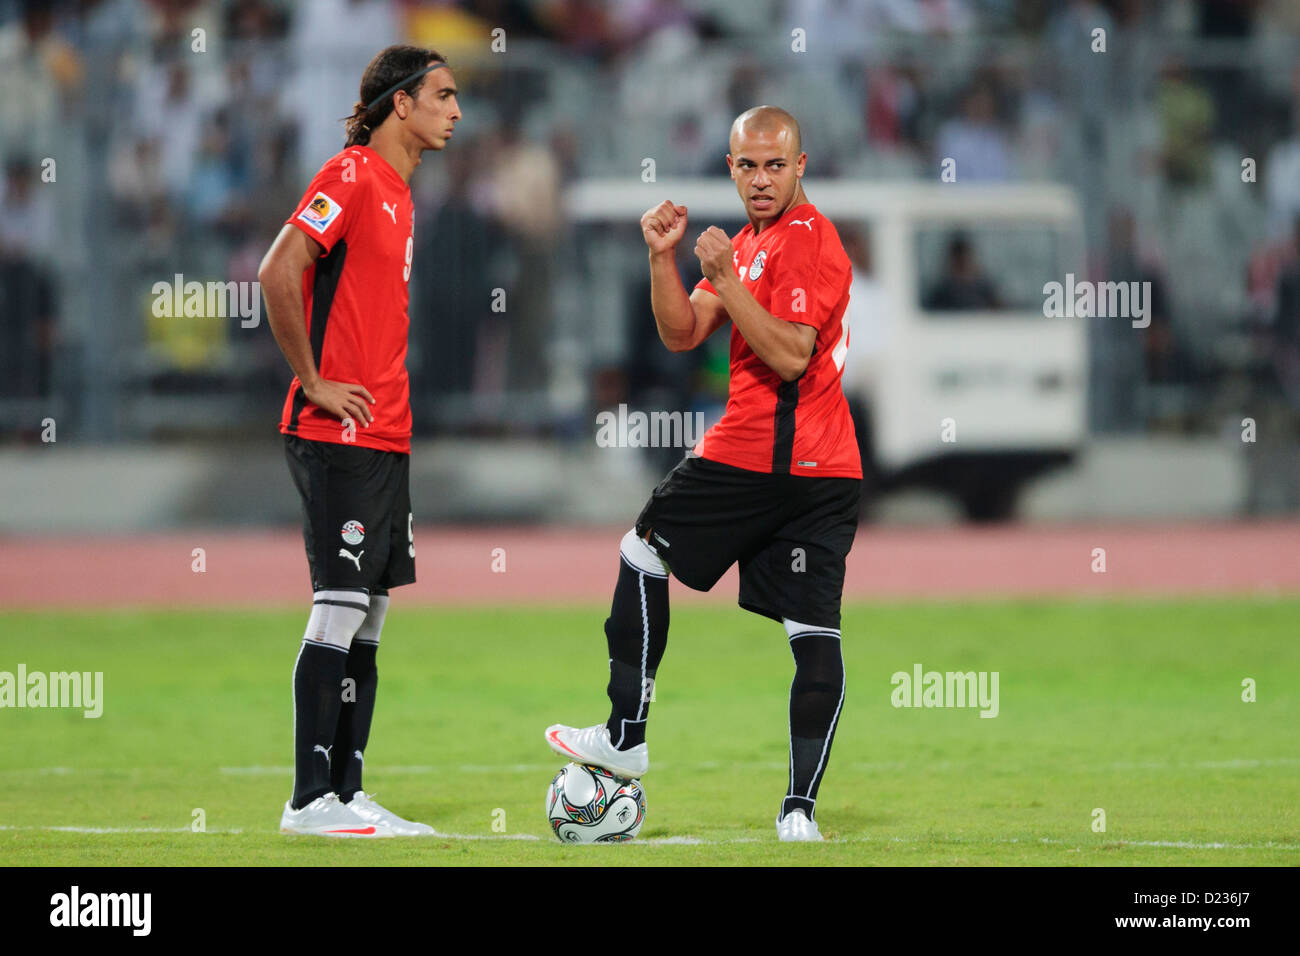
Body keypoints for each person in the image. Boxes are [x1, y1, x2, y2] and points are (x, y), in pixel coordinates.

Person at [546, 106, 862, 841]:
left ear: (801, 167)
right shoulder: (752, 243)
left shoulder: (806, 240)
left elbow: (789, 354)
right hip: (829, 469)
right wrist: (665, 258)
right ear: (730, 167)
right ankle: (798, 815)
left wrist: (723, 273)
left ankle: (626, 731)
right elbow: (683, 332)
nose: (759, 179)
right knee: (812, 630)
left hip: (762, 452)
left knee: (640, 549)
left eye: (775, 165)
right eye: (747, 165)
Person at [259, 45, 460, 837]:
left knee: (370, 613)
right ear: (401, 104)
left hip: (386, 434)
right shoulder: (349, 175)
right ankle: (308, 800)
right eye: (443, 95)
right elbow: (280, 271)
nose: (456, 110)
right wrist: (311, 380)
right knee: (338, 607)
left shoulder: (401, 194)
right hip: (337, 431)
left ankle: (346, 791)